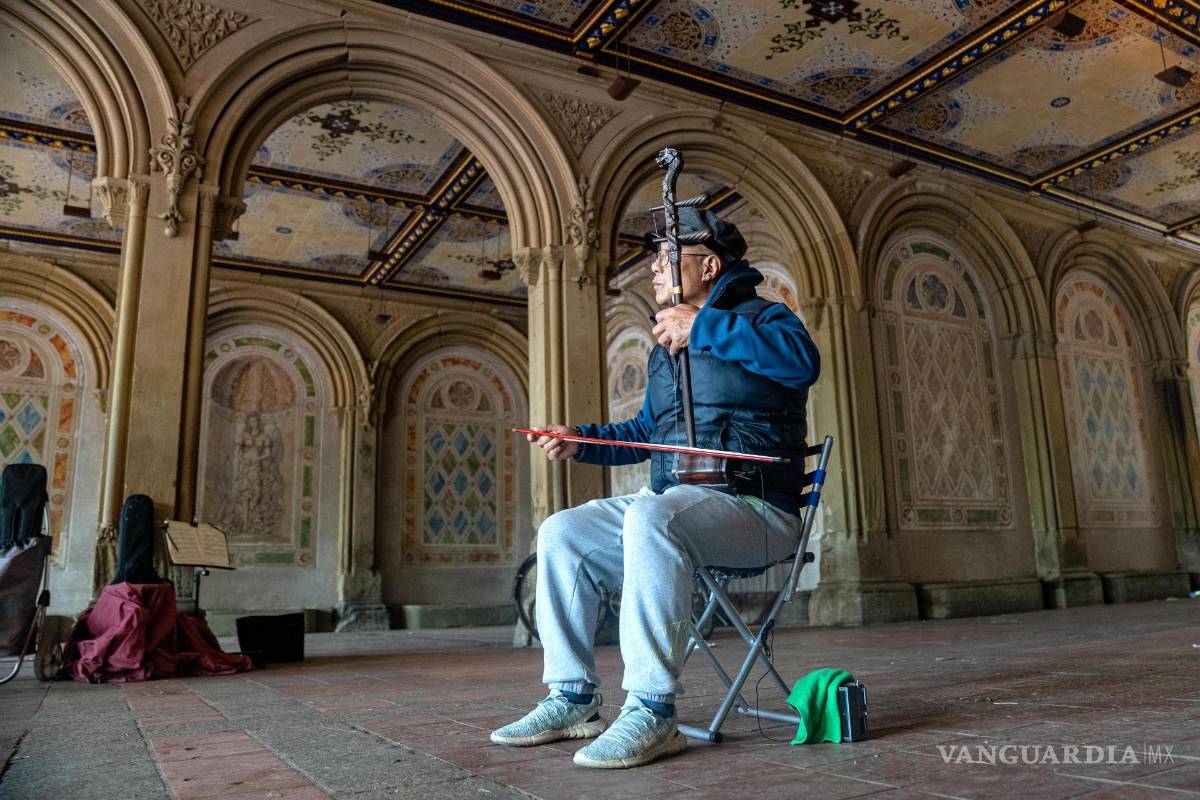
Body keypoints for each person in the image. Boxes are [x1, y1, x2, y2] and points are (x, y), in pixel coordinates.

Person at [491, 207, 820, 768]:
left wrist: (705, 327)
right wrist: (580, 440)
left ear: (709, 266)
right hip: (676, 509)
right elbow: (647, 433)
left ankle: (652, 709)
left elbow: (802, 364)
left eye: (667, 258)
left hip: (758, 511)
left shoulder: (767, 318)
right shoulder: (664, 346)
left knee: (653, 515)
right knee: (562, 531)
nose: (654, 270)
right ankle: (571, 697)